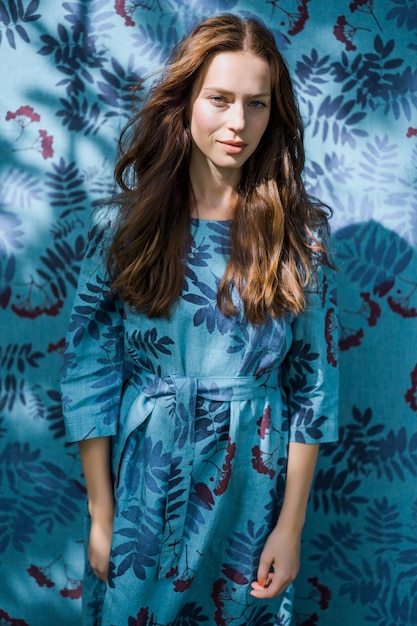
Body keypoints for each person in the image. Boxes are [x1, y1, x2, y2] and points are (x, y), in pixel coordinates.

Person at [61, 13, 338, 626]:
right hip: (145, 484)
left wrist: (289, 528)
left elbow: (312, 386)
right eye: (220, 99)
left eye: (257, 104)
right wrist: (103, 514)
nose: (239, 123)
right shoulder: (123, 228)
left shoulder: (299, 237)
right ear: (185, 101)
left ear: (275, 114)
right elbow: (90, 373)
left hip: (252, 492)